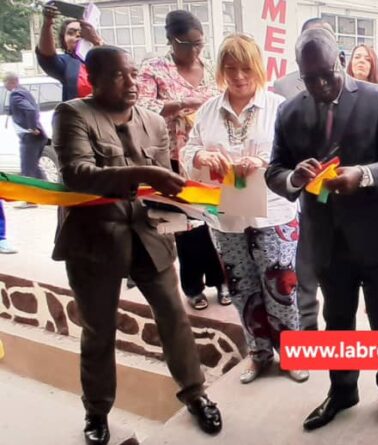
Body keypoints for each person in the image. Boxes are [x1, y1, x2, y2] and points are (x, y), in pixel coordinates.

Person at [52, 46, 222, 445]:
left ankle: (196, 395)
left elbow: (160, 187)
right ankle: (96, 413)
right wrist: (144, 172)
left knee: (174, 319)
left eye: (132, 74)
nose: (130, 83)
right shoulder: (73, 114)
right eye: (118, 76)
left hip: (148, 235)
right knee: (98, 330)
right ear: (93, 79)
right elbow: (77, 174)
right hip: (94, 240)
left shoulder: (153, 121)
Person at [267, 28, 378, 433]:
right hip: (329, 240)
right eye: (309, 78)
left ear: (341, 60)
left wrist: (364, 175)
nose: (319, 85)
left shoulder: (377, 99)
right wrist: (293, 178)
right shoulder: (289, 112)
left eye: (327, 74)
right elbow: (274, 170)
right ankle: (342, 389)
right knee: (338, 321)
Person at [182, 33, 308, 385]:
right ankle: (258, 353)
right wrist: (200, 156)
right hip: (227, 216)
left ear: (258, 69)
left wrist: (264, 161)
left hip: (273, 213)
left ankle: (292, 354)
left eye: (246, 69)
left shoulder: (280, 107)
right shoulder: (208, 110)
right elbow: (188, 152)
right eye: (231, 68)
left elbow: (297, 156)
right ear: (221, 70)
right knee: (241, 289)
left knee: (281, 287)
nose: (239, 76)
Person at [138, 10, 228, 310]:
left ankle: (221, 281)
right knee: (189, 227)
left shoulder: (211, 65)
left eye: (200, 43)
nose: (195, 50)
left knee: (217, 220)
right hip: (176, 160)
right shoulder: (155, 69)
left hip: (212, 159)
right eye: (188, 44)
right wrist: (180, 104)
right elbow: (142, 108)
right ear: (171, 40)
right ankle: (193, 287)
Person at [272, 17, 339, 332]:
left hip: (350, 204)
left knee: (340, 291)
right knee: (306, 275)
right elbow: (278, 161)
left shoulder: (363, 94)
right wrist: (294, 178)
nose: (321, 84)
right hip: (306, 205)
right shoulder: (284, 92)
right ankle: (309, 333)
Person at [36, 3, 103, 102]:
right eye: (71, 33)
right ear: (64, 41)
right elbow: (47, 56)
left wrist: (97, 42)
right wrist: (47, 23)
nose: (77, 35)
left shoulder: (103, 59)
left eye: (82, 32)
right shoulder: (66, 63)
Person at [4, 72, 47, 209]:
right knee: (34, 167)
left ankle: (30, 200)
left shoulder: (16, 95)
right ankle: (48, 193)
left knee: (27, 169)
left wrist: (32, 127)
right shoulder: (24, 92)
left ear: (11, 82)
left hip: (30, 137)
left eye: (5, 83)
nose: (4, 86)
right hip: (37, 137)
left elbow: (30, 110)